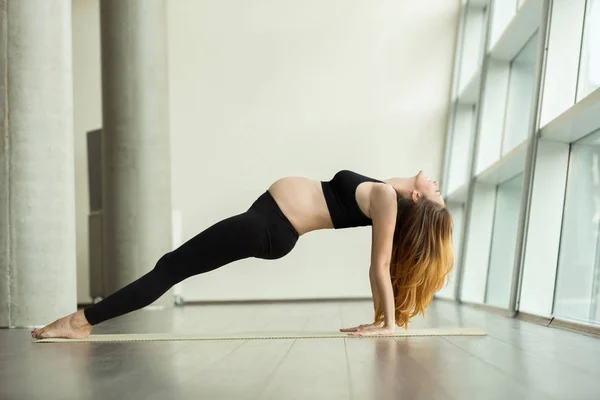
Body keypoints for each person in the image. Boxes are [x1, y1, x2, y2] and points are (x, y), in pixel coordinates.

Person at [31, 169, 453, 339]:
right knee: (172, 266)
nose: (438, 184)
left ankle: (79, 322)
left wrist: (391, 324)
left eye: (438, 192)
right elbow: (381, 265)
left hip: (269, 227)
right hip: (267, 222)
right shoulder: (386, 194)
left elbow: (379, 265)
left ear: (420, 199)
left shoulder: (386, 199)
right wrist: (384, 318)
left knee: (170, 268)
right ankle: (82, 322)